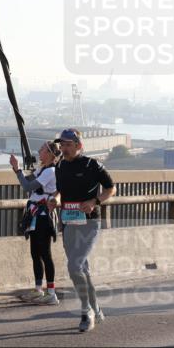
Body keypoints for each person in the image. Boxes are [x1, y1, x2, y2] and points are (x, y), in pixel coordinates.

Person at [48, 128, 117, 332]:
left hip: (89, 223)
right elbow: (60, 191)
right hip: (68, 222)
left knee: (75, 266)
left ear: (79, 146)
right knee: (82, 270)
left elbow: (111, 188)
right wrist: (55, 199)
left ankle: (86, 311)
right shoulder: (59, 166)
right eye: (62, 144)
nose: (64, 148)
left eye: (68, 144)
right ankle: (96, 308)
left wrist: (94, 201)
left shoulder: (92, 165)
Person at [12, 142, 61, 305]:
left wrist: (17, 169)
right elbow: (28, 181)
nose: (39, 151)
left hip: (43, 215)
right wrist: (20, 171)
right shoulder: (42, 170)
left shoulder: (51, 171)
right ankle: (39, 289)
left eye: (42, 149)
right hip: (35, 214)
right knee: (35, 253)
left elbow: (27, 186)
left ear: (49, 154)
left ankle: (52, 292)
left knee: (45, 253)